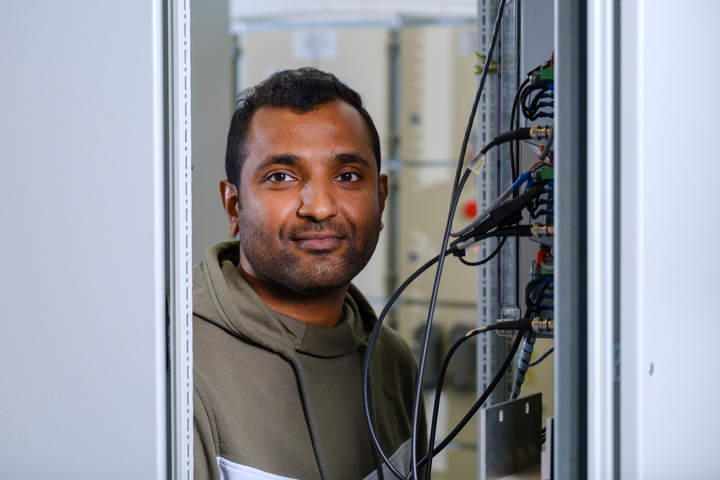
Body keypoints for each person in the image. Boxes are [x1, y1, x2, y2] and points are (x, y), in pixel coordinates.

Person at [193, 68, 426, 480]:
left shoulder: (392, 361)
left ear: (381, 198)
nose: (319, 207)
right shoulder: (178, 365)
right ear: (233, 206)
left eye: (347, 176)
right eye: (281, 177)